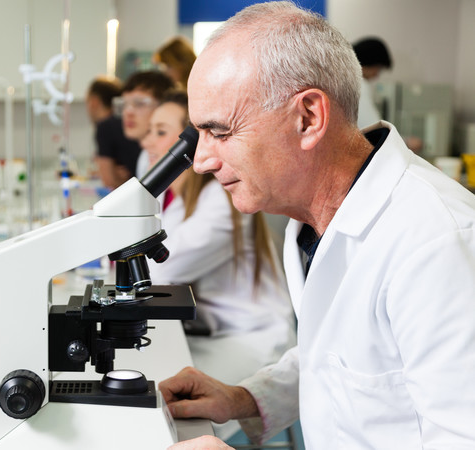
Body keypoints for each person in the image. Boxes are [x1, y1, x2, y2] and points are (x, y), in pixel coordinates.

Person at [158, 2, 475, 449]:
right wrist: (244, 397)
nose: (203, 161)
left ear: (308, 118)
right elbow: (344, 360)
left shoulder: (438, 244)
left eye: (221, 132)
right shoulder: (313, 221)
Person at [143, 89, 296, 440]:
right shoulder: (181, 201)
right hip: (213, 332)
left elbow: (160, 271)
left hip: (253, 337)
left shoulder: (221, 204)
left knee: (172, 408)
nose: (148, 142)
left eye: (161, 131)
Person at [353, 37, 423, 152]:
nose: (377, 75)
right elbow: (373, 130)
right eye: (379, 68)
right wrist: (406, 142)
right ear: (369, 61)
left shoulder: (346, 81)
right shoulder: (359, 84)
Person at [113, 70, 175, 177]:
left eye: (139, 104)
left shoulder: (169, 156)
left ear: (163, 107)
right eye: (124, 104)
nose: (128, 112)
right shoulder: (146, 156)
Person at [85, 77, 141, 190]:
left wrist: (109, 172)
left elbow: (109, 180)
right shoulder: (125, 123)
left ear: (94, 102)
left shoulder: (104, 128)